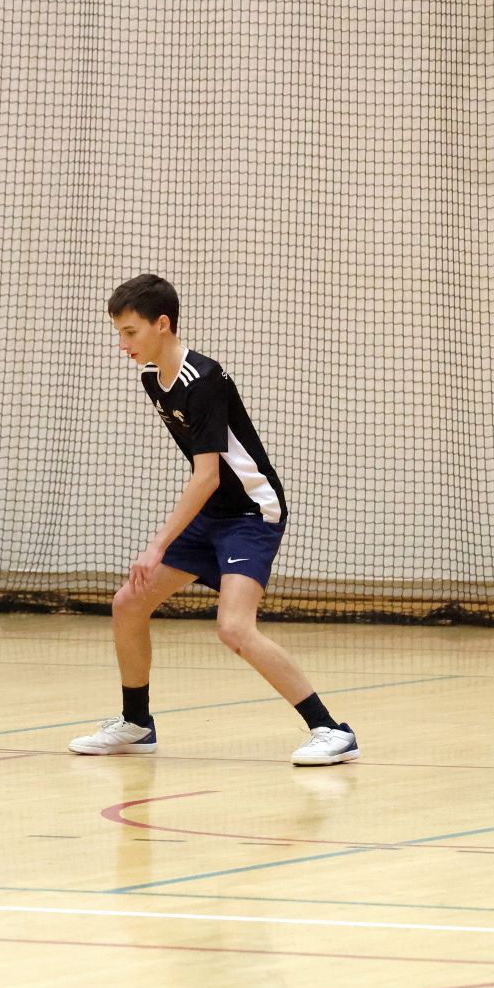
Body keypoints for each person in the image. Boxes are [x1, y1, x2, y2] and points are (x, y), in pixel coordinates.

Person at [69, 274, 358, 766]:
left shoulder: (202, 380)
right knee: (128, 603)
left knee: (234, 628)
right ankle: (136, 724)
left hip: (251, 513)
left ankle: (331, 730)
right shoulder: (153, 378)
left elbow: (207, 475)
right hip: (213, 514)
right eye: (119, 333)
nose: (123, 345)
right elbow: (205, 478)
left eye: (130, 332)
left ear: (162, 324)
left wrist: (158, 545)